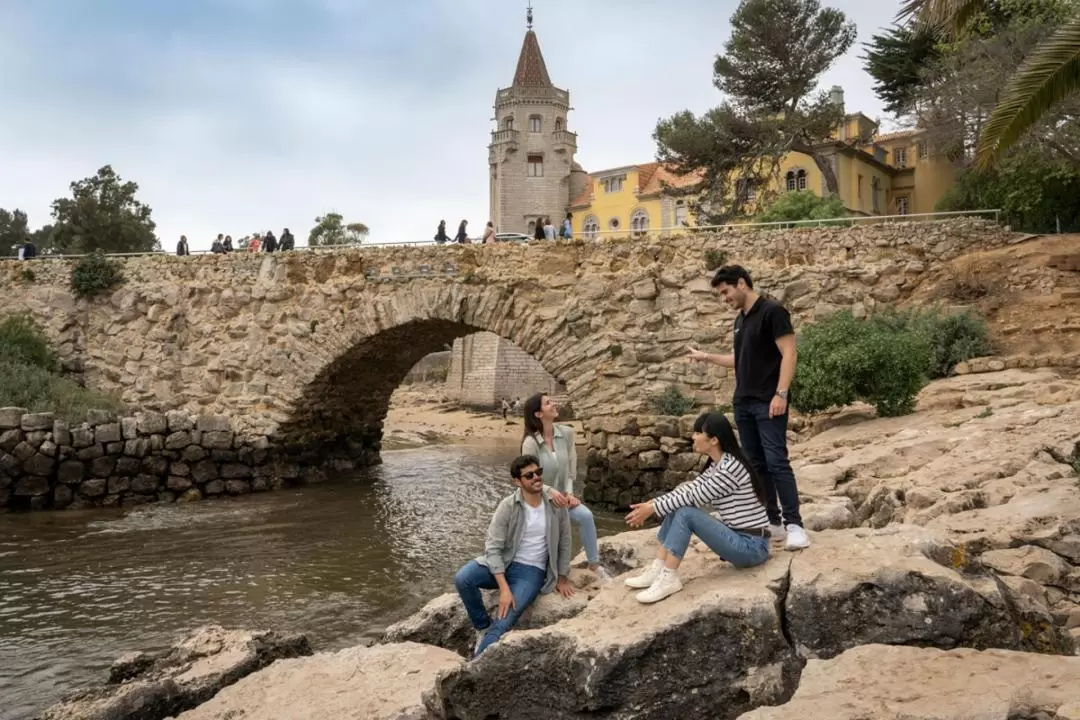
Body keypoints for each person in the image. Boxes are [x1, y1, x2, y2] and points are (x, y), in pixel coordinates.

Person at [686, 265, 809, 551]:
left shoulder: (772, 312)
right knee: (756, 464)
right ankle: (773, 521)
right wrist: (705, 356)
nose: (724, 299)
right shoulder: (740, 320)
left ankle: (795, 526)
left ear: (742, 283)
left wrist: (781, 394)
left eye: (726, 292)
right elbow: (739, 359)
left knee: (777, 460)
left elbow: (789, 353)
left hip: (769, 400)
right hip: (744, 402)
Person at [624, 412, 771, 604]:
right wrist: (652, 504)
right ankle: (659, 568)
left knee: (685, 512)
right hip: (739, 538)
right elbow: (690, 489)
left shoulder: (730, 469)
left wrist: (653, 509)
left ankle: (669, 577)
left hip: (751, 547)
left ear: (714, 440)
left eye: (697, 432)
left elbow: (694, 496)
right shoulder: (718, 464)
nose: (693, 437)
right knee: (678, 507)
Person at [454, 454, 574, 657]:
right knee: (463, 578)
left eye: (539, 472)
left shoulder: (555, 505)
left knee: (502, 623)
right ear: (517, 482)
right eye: (529, 476)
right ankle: (482, 626)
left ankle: (473, 670)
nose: (536, 477)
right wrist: (504, 589)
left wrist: (562, 577)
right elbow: (492, 548)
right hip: (505, 562)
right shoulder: (507, 506)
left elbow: (565, 541)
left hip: (531, 571)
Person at [521, 393, 613, 584]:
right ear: (538, 414)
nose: (553, 404)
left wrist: (569, 493)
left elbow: (571, 469)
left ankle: (594, 564)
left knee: (586, 516)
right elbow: (530, 479)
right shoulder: (530, 443)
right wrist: (551, 492)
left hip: (564, 497)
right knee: (551, 533)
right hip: (541, 499)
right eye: (548, 403)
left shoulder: (566, 433)